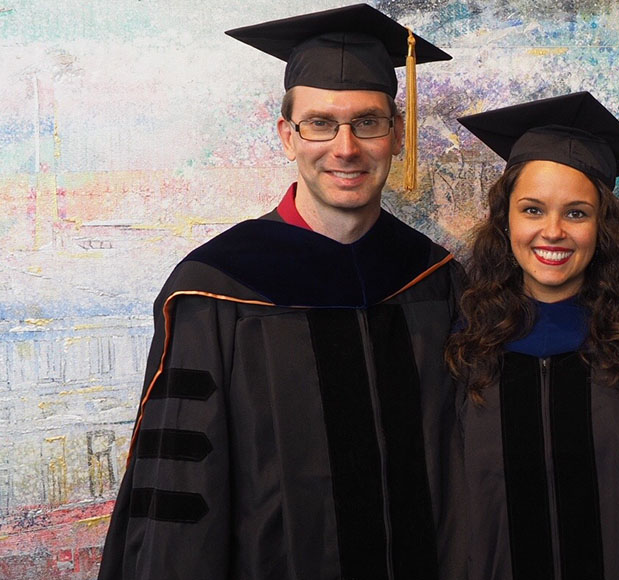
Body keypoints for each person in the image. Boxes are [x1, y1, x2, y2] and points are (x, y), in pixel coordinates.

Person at [98, 5, 464, 579]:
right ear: (287, 136)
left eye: (367, 122)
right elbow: (180, 494)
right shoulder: (216, 290)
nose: (345, 148)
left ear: (396, 135)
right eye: (320, 123)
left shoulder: (434, 280)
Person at [447, 91, 619, 580]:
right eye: (532, 210)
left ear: (603, 225)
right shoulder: (468, 346)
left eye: (576, 213)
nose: (552, 231)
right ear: (506, 219)